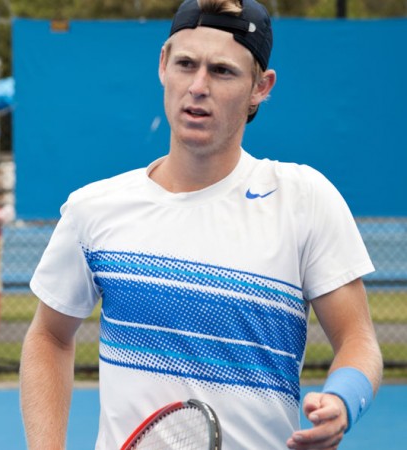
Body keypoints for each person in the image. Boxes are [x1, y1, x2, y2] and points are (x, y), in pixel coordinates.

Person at [19, 0, 383, 448]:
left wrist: (343, 401)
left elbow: (358, 340)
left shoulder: (304, 200)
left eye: (222, 71)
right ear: (163, 65)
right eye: (186, 64)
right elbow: (49, 337)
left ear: (260, 87)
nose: (198, 86)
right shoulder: (93, 208)